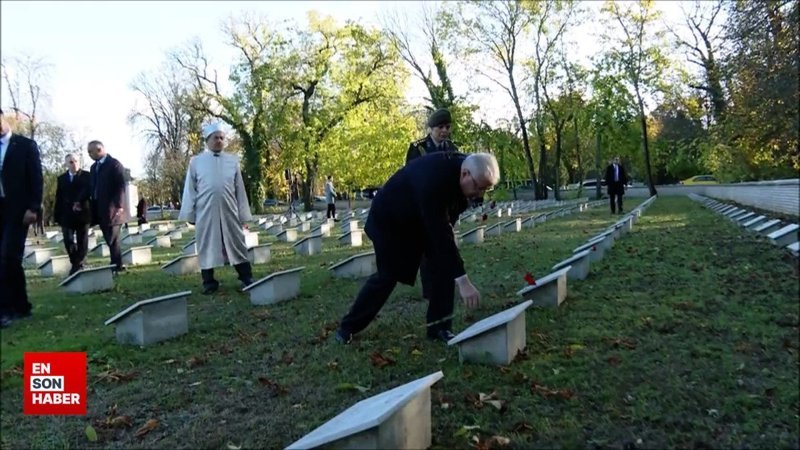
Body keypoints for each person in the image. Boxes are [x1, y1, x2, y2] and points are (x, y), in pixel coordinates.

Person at [334, 151, 500, 344]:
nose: (479, 195)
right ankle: (348, 328)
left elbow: (445, 230)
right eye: (479, 188)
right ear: (465, 174)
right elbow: (440, 231)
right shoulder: (435, 180)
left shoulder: (468, 172)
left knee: (443, 265)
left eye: (485, 190)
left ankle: (439, 328)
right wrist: (463, 282)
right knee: (389, 275)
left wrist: (447, 264)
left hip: (420, 218)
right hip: (390, 221)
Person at [178, 122, 255, 295]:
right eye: (216, 138)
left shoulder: (232, 161)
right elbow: (190, 189)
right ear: (207, 140)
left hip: (229, 210)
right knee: (206, 244)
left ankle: (246, 277)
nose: (219, 141)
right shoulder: (196, 162)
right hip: (205, 212)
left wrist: (243, 214)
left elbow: (239, 189)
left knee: (237, 243)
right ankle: (209, 282)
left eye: (222, 138)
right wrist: (191, 214)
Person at [405, 108, 461, 302]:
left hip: (446, 207)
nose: (444, 131)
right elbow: (411, 177)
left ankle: (447, 284)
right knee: (428, 250)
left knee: (446, 244)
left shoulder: (452, 149)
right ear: (431, 129)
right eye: (440, 127)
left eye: (447, 127)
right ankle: (429, 291)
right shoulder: (417, 149)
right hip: (424, 207)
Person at [0, 108, 43, 328]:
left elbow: (36, 178)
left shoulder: (24, 145)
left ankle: (5, 310)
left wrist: (34, 207)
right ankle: (21, 305)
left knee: (8, 256)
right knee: (9, 260)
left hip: (18, 211)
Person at [87, 140, 129, 274]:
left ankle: (117, 265)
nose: (89, 154)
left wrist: (119, 205)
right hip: (100, 209)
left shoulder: (114, 164)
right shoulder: (94, 168)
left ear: (99, 150)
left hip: (114, 209)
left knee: (113, 238)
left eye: (90, 152)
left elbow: (120, 186)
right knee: (108, 238)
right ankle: (115, 264)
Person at [53, 153, 92, 275]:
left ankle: (78, 264)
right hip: (67, 215)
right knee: (68, 240)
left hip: (82, 213)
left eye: (76, 161)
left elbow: (88, 190)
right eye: (71, 162)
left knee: (82, 241)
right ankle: (75, 262)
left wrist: (79, 201)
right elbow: (59, 197)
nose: (74, 164)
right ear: (66, 164)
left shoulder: (87, 176)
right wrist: (57, 215)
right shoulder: (62, 179)